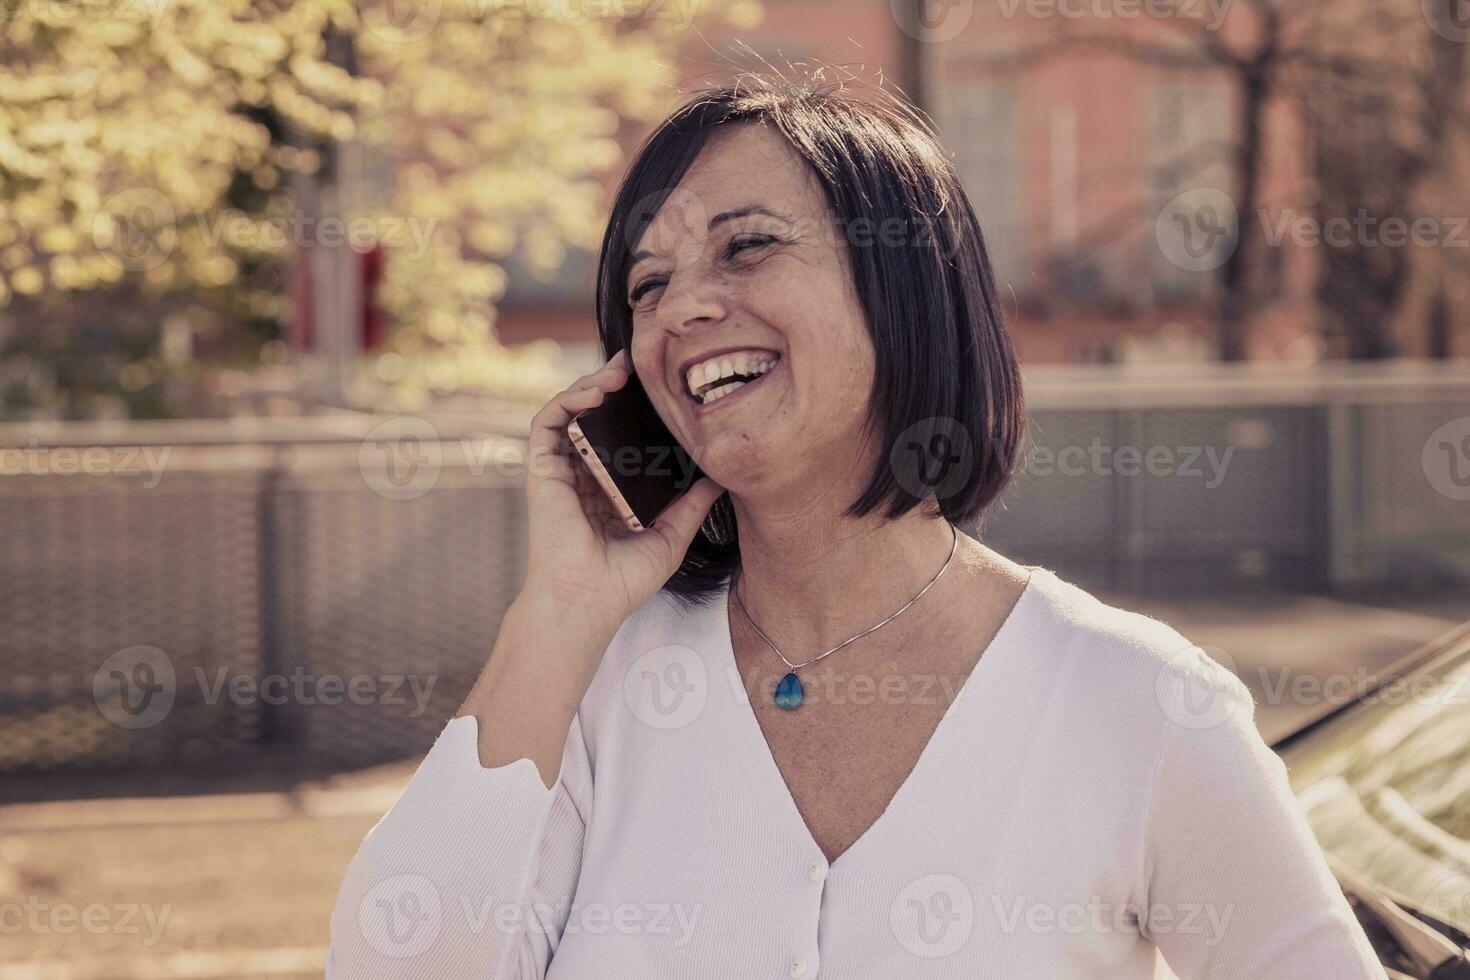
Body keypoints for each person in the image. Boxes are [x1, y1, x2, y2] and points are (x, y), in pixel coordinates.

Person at [326, 73, 1383, 979]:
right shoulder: (596, 691)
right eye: (648, 285)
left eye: (746, 248)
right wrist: (556, 614)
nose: (684, 307)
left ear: (902, 290)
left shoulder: (1139, 700)